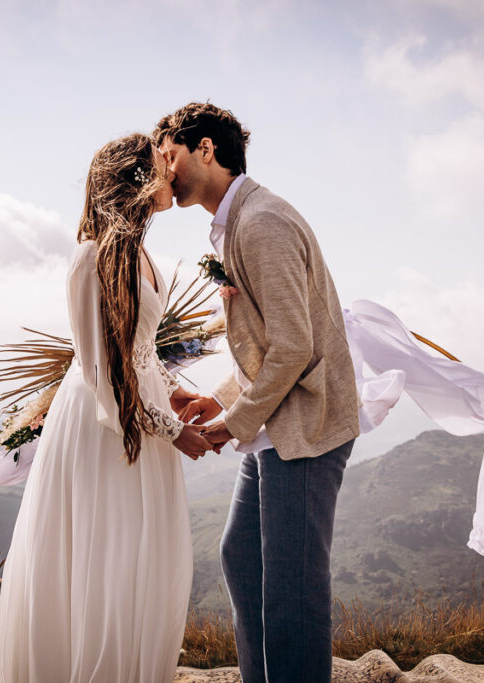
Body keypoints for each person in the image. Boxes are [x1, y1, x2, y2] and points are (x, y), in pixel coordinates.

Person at [0, 132, 214, 682]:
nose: (171, 170)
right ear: (136, 179)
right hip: (103, 427)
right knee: (108, 562)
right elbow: (102, 372)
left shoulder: (140, 253)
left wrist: (173, 388)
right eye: (161, 163)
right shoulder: (92, 258)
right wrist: (170, 429)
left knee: (140, 564)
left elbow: (135, 349)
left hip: (140, 417)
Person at [156, 103, 360, 683]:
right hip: (273, 421)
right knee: (242, 559)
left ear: (206, 150)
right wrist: (218, 399)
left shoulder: (261, 223)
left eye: (169, 154)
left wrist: (232, 422)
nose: (163, 169)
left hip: (304, 428)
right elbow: (270, 341)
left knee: (291, 591)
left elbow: (294, 348)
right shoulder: (235, 221)